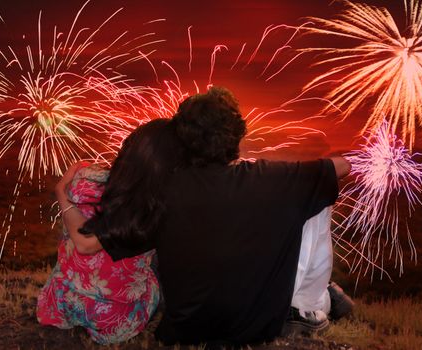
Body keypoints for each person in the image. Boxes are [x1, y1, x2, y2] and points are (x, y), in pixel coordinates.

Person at [151, 87, 352, 346]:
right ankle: (306, 306)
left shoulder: (164, 185)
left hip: (185, 328)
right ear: (236, 134)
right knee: (316, 195)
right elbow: (342, 167)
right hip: (257, 327)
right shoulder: (268, 178)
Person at [36, 118, 179, 344]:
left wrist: (61, 194)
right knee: (155, 264)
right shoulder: (152, 208)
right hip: (113, 321)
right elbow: (86, 244)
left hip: (62, 303)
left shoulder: (83, 177)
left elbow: (80, 239)